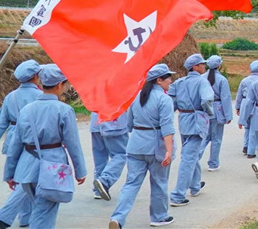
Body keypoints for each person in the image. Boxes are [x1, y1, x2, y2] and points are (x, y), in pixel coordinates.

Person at [2, 64, 86, 229]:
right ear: (58, 85)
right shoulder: (64, 110)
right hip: (53, 168)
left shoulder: (26, 110)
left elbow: (15, 144)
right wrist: (80, 171)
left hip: (25, 170)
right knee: (44, 215)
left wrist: (9, 173)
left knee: (38, 211)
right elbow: (73, 144)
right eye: (65, 84)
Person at [108, 64, 177, 229]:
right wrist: (169, 150)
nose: (171, 81)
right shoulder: (164, 99)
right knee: (159, 182)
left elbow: (129, 123)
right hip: (156, 146)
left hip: (136, 145)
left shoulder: (136, 96)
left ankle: (117, 218)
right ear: (159, 80)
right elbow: (167, 127)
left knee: (131, 183)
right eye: (168, 77)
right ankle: (159, 217)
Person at [0, 60, 43, 229]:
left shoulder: (10, 97)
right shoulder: (41, 96)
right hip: (34, 142)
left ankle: (25, 218)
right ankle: (9, 215)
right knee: (29, 179)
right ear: (36, 76)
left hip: (13, 139)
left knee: (21, 176)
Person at [168, 54, 213, 207]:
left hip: (184, 120)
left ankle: (195, 185)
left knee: (190, 153)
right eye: (202, 64)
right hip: (197, 121)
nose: (204, 66)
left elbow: (170, 101)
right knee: (188, 158)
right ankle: (178, 195)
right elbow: (207, 99)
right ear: (195, 67)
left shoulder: (179, 82)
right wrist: (209, 112)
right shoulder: (202, 82)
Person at [90, 108, 130, 201]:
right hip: (114, 121)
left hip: (96, 120)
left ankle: (98, 189)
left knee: (100, 155)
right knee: (121, 154)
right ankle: (104, 181)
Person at [200, 55, 232, 172]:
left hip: (204, 110)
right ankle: (213, 163)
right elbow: (226, 98)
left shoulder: (202, 78)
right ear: (219, 65)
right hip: (218, 110)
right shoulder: (222, 80)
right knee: (216, 139)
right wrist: (228, 116)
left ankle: (195, 159)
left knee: (204, 137)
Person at [235, 60, 258, 157]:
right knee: (254, 128)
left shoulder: (244, 80)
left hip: (245, 103)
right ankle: (251, 150)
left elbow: (239, 94)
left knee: (247, 127)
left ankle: (245, 146)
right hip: (256, 104)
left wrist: (237, 107)